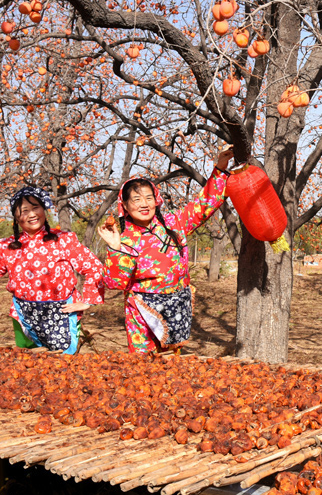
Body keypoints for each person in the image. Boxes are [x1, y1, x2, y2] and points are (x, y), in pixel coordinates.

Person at [97, 146, 233, 354]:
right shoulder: (123, 237)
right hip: (142, 308)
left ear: (156, 200)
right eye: (136, 199)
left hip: (176, 302)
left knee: (171, 363)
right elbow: (115, 283)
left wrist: (221, 165)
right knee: (144, 367)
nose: (144, 204)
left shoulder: (173, 223)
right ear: (124, 205)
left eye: (149, 198)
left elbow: (204, 204)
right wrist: (116, 248)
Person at [0, 186, 106, 354]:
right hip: (24, 315)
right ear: (16, 217)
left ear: (44, 210)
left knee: (64, 368)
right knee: (29, 366)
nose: (32, 214)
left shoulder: (64, 240)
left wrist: (88, 300)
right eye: (24, 210)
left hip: (62, 314)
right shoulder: (7, 246)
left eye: (36, 207)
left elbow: (94, 267)